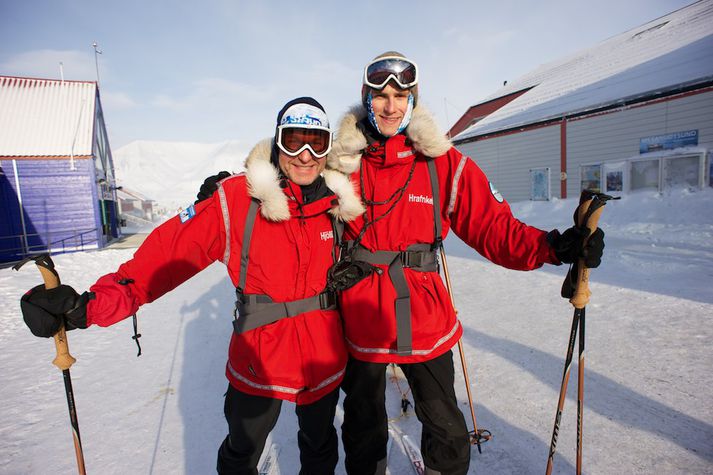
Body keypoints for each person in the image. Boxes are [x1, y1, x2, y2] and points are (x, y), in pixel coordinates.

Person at [20, 97, 364, 475]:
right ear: (277, 142)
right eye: (293, 140)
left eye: (316, 142)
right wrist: (88, 306)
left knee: (320, 449)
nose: (304, 155)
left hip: (322, 355)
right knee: (241, 452)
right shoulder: (237, 200)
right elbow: (163, 258)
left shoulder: (339, 204)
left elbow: (388, 229)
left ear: (328, 146)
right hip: (259, 357)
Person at [326, 52, 605, 475]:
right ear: (366, 99)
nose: (390, 105)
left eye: (400, 95)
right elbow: (295, 201)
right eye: (381, 96)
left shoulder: (444, 164)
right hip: (361, 316)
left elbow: (495, 228)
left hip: (424, 318)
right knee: (363, 430)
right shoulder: (340, 164)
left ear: (413, 101)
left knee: (447, 430)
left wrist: (554, 247)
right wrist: (234, 190)